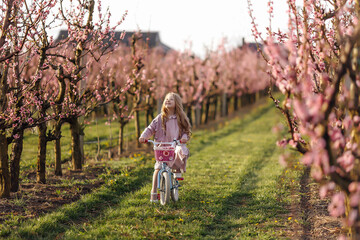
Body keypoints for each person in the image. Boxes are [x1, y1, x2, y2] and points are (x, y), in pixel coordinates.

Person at [139, 92, 191, 203]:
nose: (167, 100)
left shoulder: (180, 118)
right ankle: (153, 193)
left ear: (176, 103)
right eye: (166, 99)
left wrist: (184, 138)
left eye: (171, 99)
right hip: (161, 147)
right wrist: (143, 136)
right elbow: (150, 128)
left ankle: (177, 171)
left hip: (174, 145)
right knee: (157, 169)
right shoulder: (160, 118)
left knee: (180, 153)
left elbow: (186, 131)